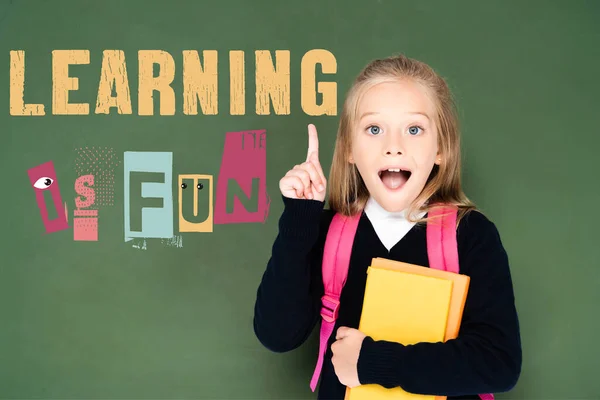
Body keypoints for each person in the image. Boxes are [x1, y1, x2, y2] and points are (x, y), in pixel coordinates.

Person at [253, 54, 522, 400]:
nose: (393, 147)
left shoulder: (471, 236)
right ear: (350, 149)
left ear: (440, 148)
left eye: (414, 129)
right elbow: (276, 335)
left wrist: (371, 363)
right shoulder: (324, 233)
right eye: (374, 129)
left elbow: (499, 364)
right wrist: (299, 217)